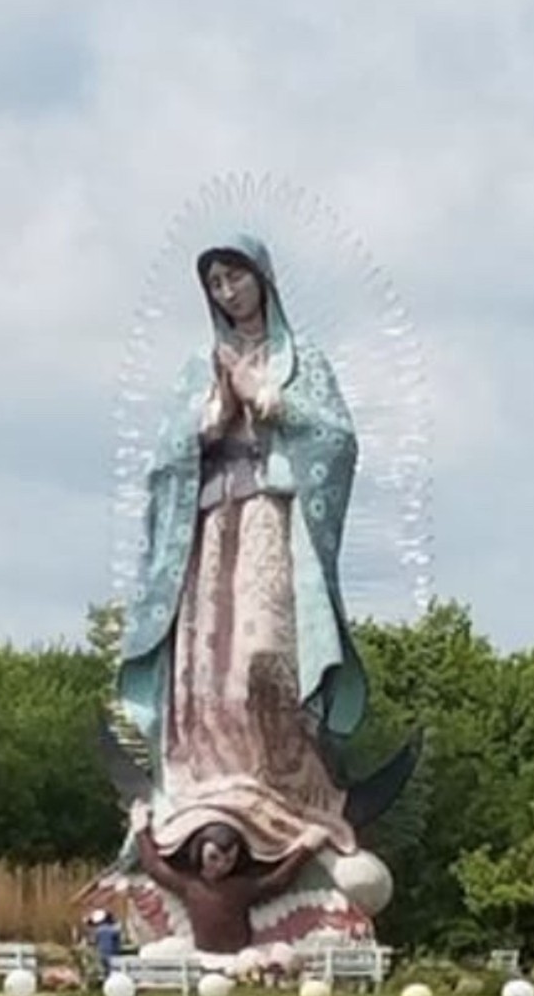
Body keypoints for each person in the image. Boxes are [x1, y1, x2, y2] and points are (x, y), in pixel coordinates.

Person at [117, 235, 366, 900]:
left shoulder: (300, 359)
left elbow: (339, 441)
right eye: (216, 283)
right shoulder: (199, 367)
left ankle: (278, 791)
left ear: (263, 278)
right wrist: (209, 421)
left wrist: (270, 400)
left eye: (236, 278)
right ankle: (202, 786)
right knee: (205, 668)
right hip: (208, 529)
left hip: (267, 519)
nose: (227, 292)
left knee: (263, 655)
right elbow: (163, 459)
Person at [130, 798, 329, 957]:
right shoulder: (191, 885)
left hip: (241, 957)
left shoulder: (241, 887)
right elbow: (154, 867)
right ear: (199, 851)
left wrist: (306, 849)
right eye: (213, 858)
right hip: (203, 956)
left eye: (228, 860)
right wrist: (141, 829)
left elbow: (277, 882)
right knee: (152, 954)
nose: (220, 866)